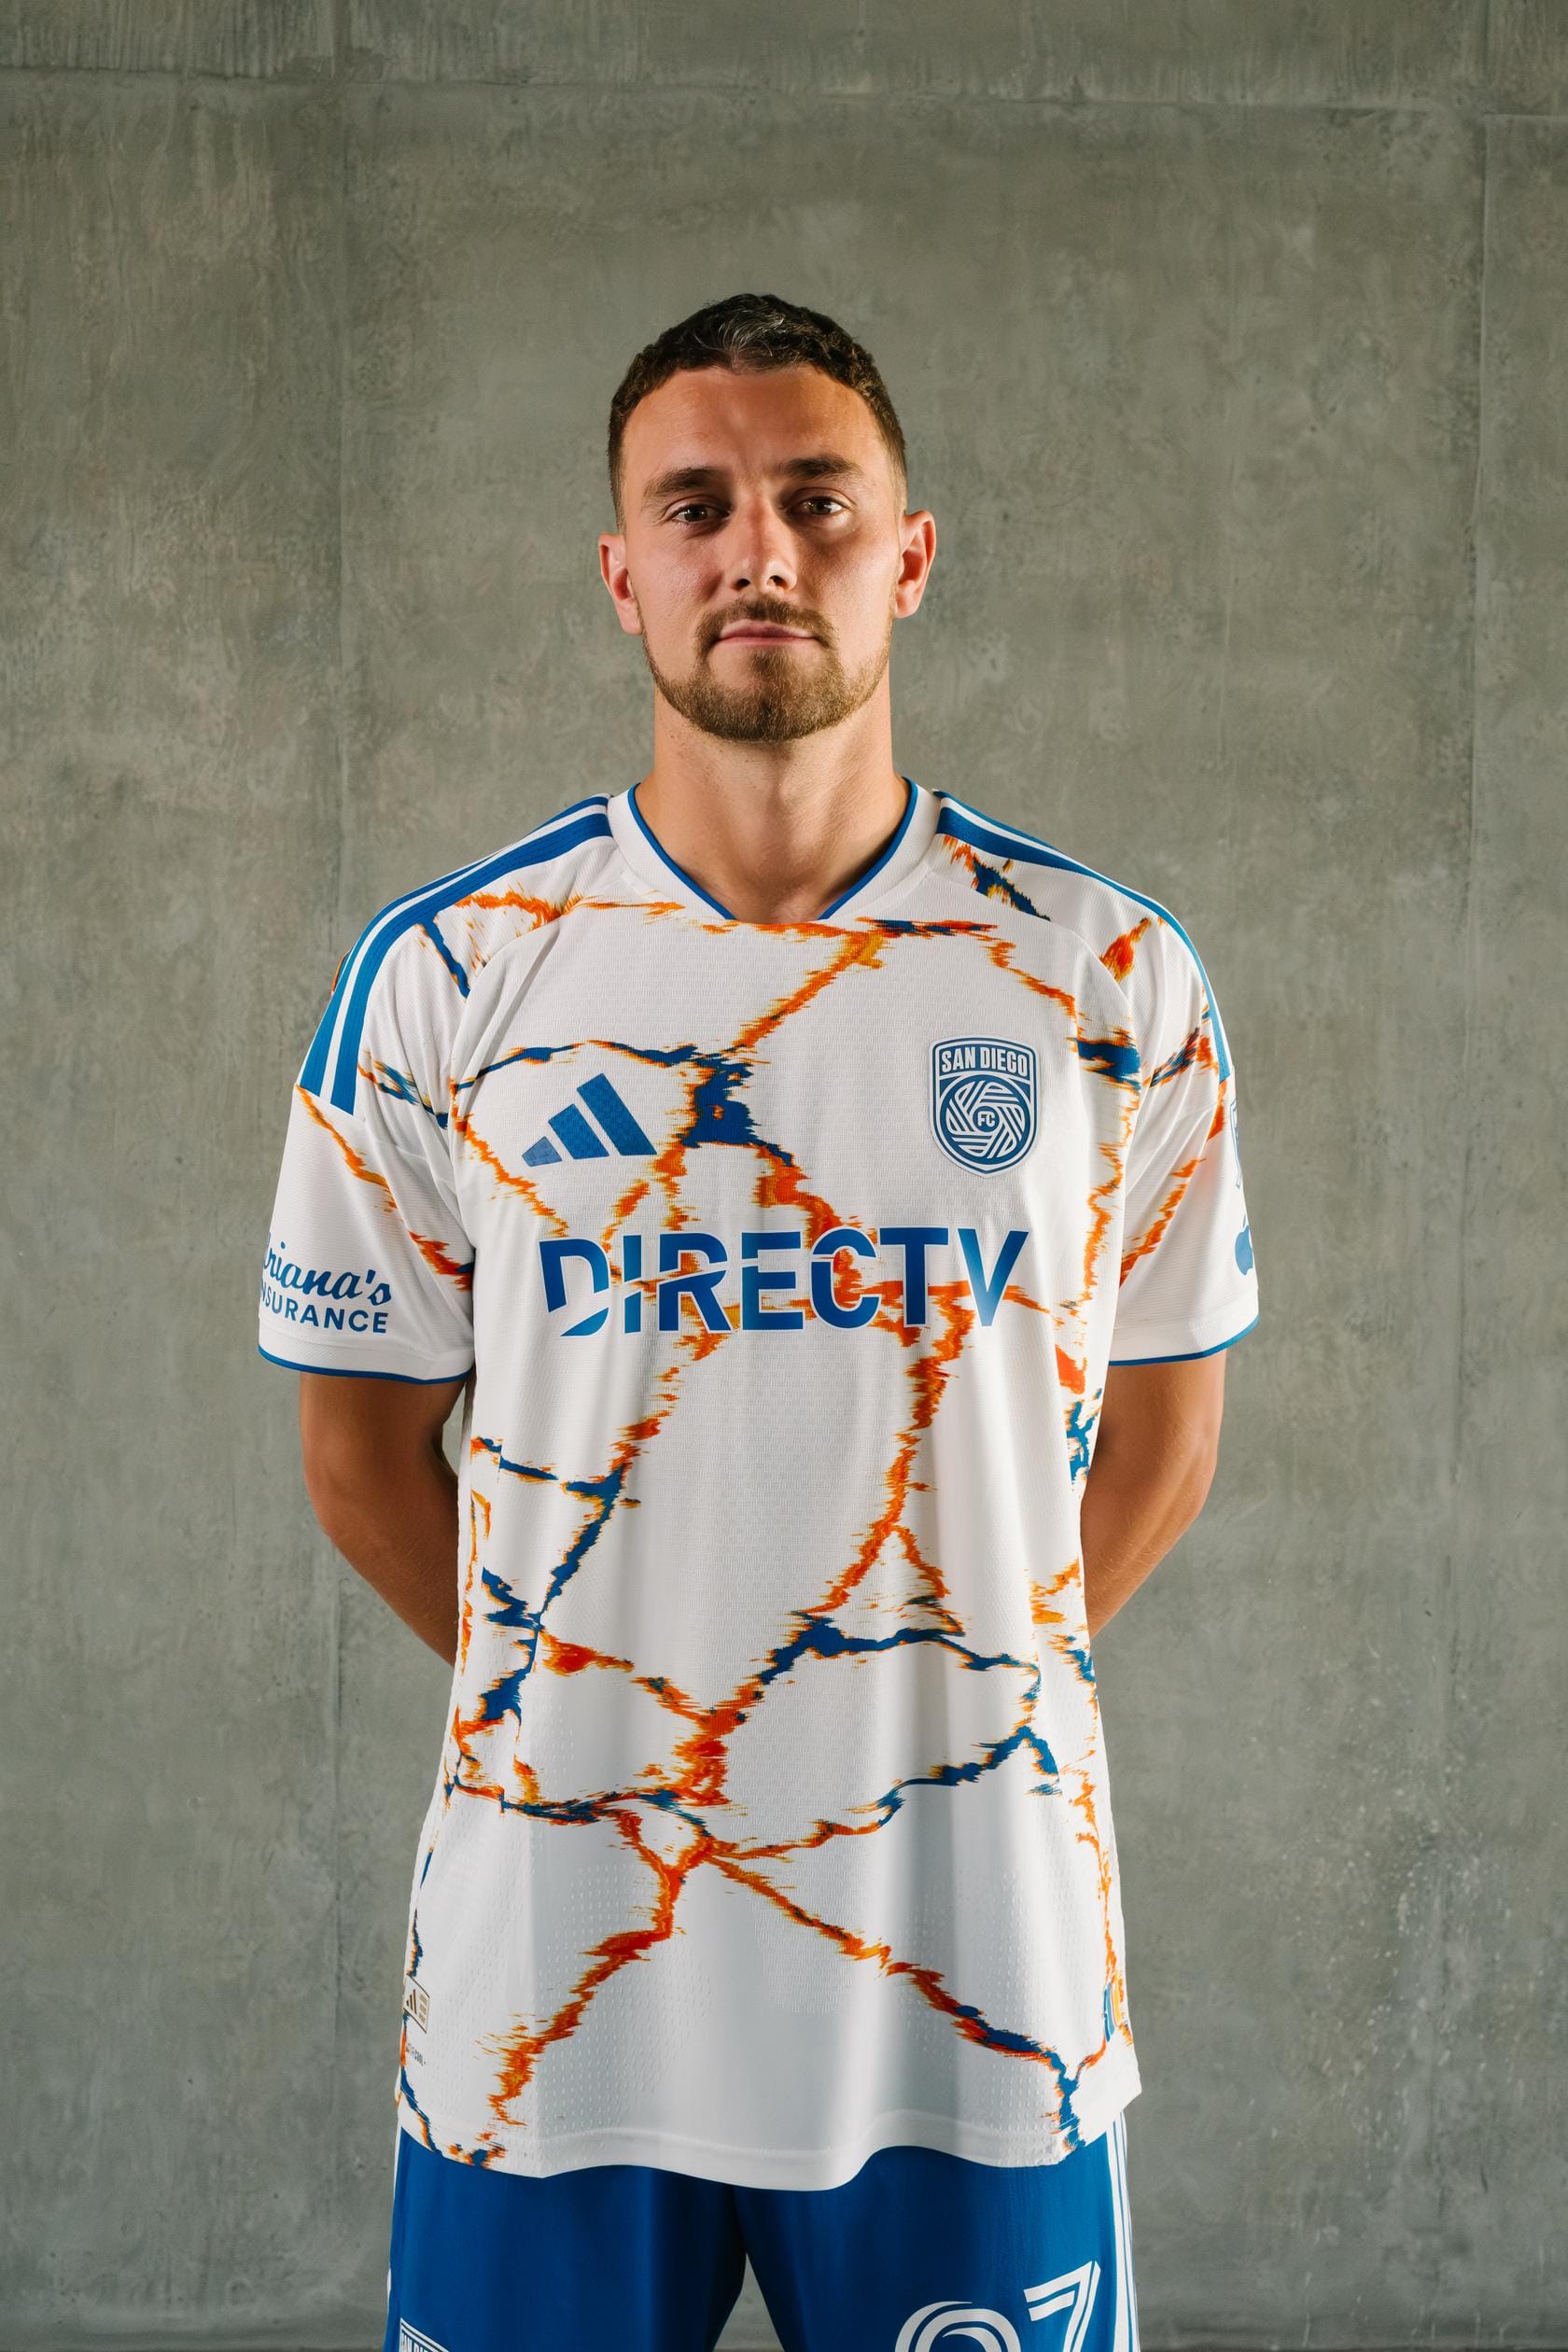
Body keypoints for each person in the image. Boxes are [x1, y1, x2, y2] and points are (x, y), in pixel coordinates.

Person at [259, 290, 1259, 2352]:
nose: (760, 551)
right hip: (558, 1982)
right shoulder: (451, 980)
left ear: (910, 553)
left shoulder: (1106, 978)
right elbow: (357, 1454)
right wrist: (593, 1699)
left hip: (974, 1972)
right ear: (622, 570)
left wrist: (943, 1697)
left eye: (817, 500)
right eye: (695, 506)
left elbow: (1167, 1429)